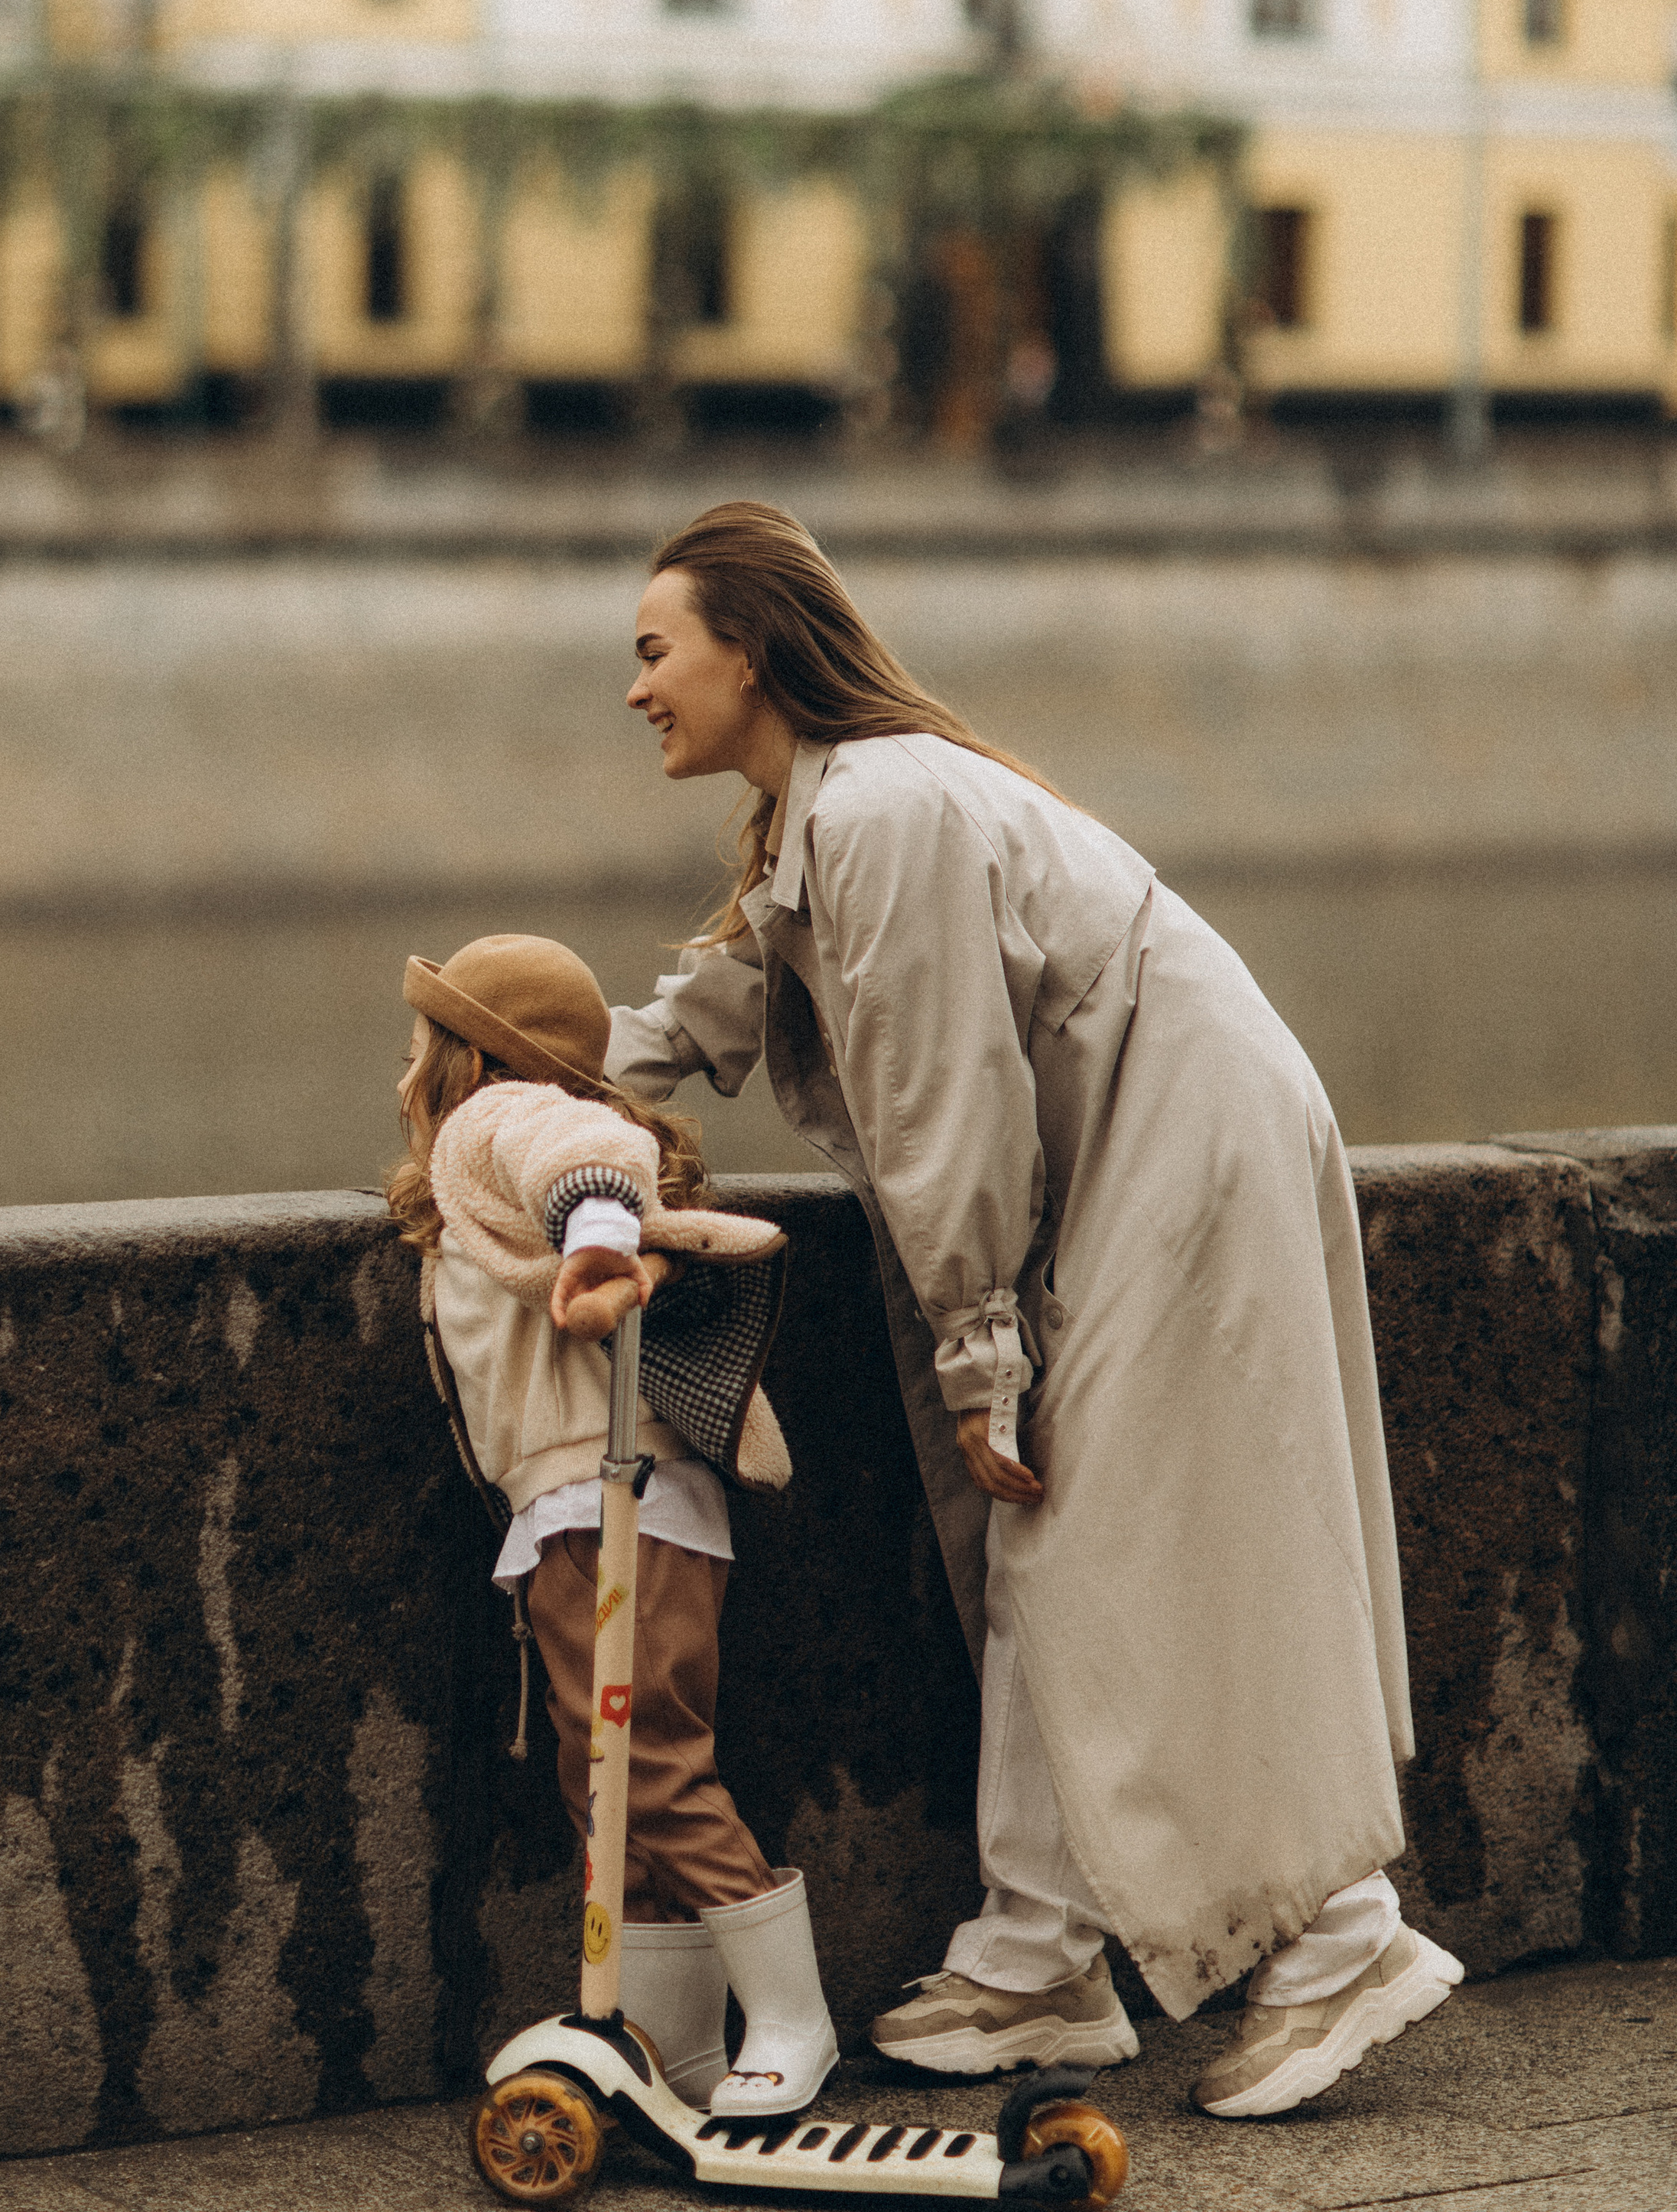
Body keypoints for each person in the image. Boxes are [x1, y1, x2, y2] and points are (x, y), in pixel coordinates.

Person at [605, 502, 1463, 2121]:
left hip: (1176, 1138)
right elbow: (719, 1001)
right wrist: (535, 1091)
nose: (636, 689)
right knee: (1047, 1544)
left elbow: (946, 1105)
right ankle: (1036, 1958)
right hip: (1150, 1135)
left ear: (748, 650)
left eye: (653, 653)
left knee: (1097, 1539)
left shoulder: (874, 811)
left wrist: (977, 1351)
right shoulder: (824, 819)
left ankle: (1339, 1938)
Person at [389, 929, 840, 2117]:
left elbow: (590, 1153)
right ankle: (673, 2042)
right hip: (595, 1508)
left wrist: (598, 1239)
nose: (408, 1064)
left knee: (640, 1767)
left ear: (470, 1058)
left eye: (423, 1038)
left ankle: (794, 2016)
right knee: (610, 1784)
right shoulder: (491, 1141)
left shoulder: (498, 1120)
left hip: (612, 1507)